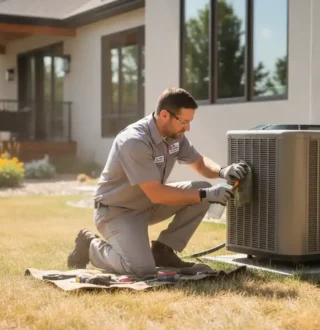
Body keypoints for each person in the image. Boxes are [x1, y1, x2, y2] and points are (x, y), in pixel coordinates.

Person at [67, 87, 247, 277]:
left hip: (148, 204)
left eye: (190, 122)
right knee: (141, 269)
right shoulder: (134, 141)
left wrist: (222, 171)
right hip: (117, 211)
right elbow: (156, 192)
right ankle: (90, 246)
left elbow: (200, 163)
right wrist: (207, 195)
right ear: (164, 115)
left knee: (202, 189)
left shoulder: (175, 135)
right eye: (184, 122)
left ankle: (163, 251)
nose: (188, 128)